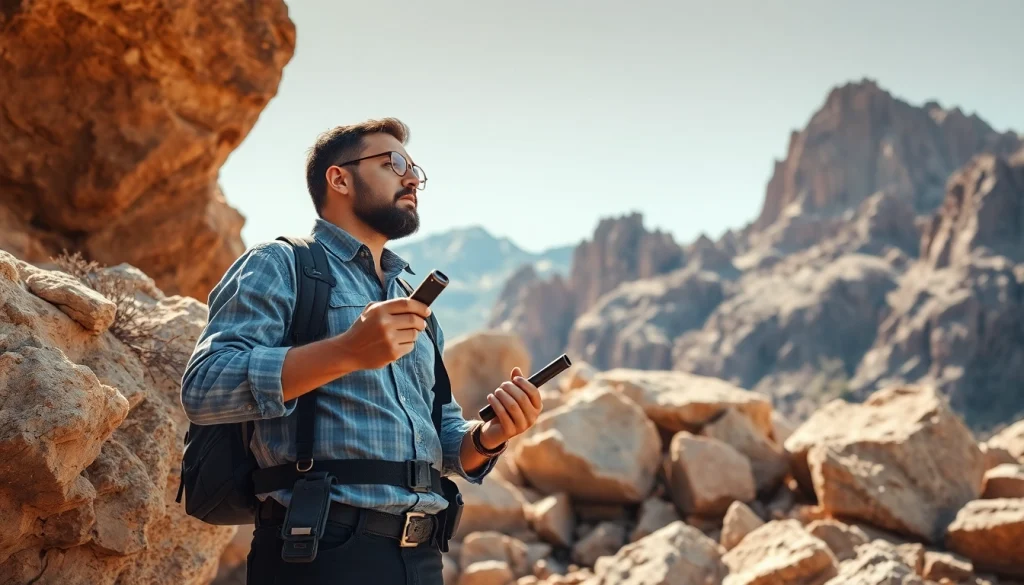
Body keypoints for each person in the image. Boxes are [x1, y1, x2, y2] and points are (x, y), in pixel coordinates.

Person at [180, 118, 543, 585]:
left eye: (415, 169)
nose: (412, 178)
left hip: (422, 558)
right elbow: (205, 387)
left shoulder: (413, 302)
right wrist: (347, 351)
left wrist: (490, 435)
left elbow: (442, 439)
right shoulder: (281, 264)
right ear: (340, 178)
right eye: (394, 163)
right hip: (317, 552)